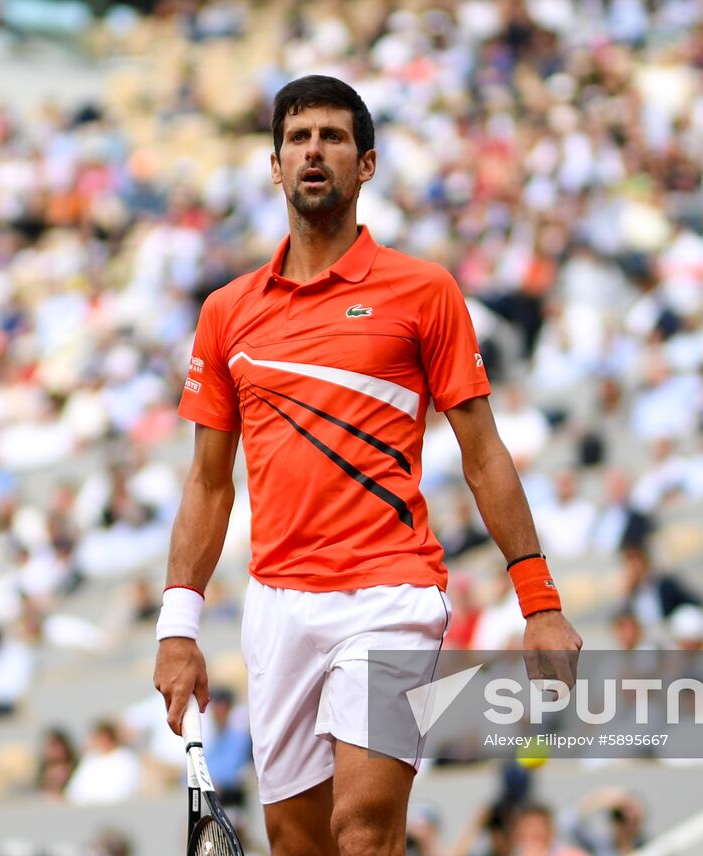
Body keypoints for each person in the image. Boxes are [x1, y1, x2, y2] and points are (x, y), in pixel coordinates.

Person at [153, 76, 581, 856]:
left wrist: (539, 601)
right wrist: (178, 627)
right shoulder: (226, 313)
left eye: (334, 136)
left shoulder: (424, 292)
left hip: (391, 598)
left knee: (364, 831)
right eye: (298, 137)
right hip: (278, 607)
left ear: (367, 164)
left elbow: (483, 453)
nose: (314, 150)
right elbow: (210, 483)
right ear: (275, 165)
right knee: (300, 844)